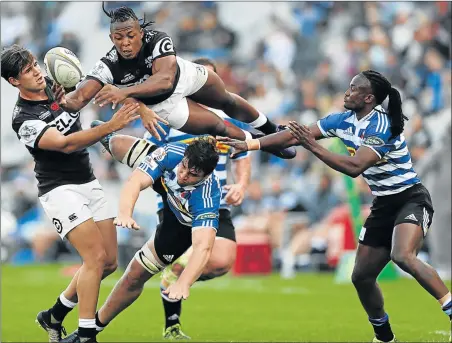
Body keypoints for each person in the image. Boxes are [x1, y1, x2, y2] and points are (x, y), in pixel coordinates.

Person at [219, 70, 452, 342]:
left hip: (410, 198)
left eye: (354, 89)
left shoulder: (382, 125)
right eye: (348, 87)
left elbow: (355, 167)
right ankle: (384, 336)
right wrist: (250, 144)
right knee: (361, 277)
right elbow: (294, 136)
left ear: (368, 98)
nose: (346, 93)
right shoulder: (341, 121)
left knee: (403, 255)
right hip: (383, 205)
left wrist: (313, 146)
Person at [1, 45, 140, 343]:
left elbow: (83, 93)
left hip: (87, 180)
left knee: (110, 263)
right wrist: (111, 127)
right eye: (27, 71)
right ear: (14, 81)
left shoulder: (54, 86)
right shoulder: (22, 118)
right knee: (94, 258)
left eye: (35, 65)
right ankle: (86, 335)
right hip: (59, 189)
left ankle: (53, 315)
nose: (37, 72)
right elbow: (65, 144)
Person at [58, 4, 295, 159]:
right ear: (112, 38)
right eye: (119, 38)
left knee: (226, 100)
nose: (126, 43)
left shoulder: (158, 39)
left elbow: (165, 80)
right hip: (164, 106)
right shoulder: (107, 65)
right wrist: (57, 98)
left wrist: (124, 92)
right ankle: (269, 145)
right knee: (218, 127)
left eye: (130, 35)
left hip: (184, 76)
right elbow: (78, 99)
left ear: (140, 32)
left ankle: (272, 130)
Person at [61, 138, 222, 342]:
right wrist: (125, 213)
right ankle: (110, 136)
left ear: (206, 175)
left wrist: (184, 282)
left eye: (193, 175)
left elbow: (203, 248)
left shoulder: (207, 197)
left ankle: (91, 331)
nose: (184, 175)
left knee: (135, 276)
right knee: (120, 145)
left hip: (181, 222)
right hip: (164, 186)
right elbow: (135, 182)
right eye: (184, 167)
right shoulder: (173, 153)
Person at [140, 57, 251, 339]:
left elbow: (243, 153)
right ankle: (172, 325)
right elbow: (147, 157)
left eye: (212, 83)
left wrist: (241, 184)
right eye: (202, 82)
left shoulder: (227, 121)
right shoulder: (168, 119)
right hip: (176, 205)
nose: (208, 89)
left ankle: (175, 272)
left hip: (214, 203)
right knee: (157, 266)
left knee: (223, 261)